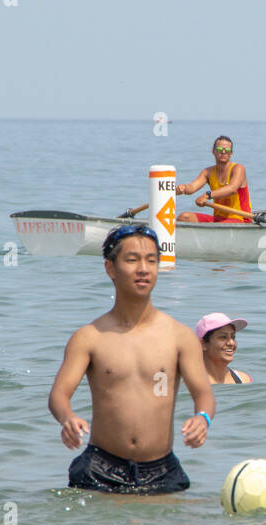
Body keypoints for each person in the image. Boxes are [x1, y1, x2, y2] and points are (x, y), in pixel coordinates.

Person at [50, 224, 216, 493]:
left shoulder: (180, 336)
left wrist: (202, 419)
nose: (143, 269)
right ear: (110, 268)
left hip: (162, 470)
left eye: (151, 260)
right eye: (132, 260)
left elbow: (204, 394)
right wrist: (67, 418)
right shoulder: (89, 337)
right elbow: (58, 395)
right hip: (100, 468)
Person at [177, 135, 251, 223]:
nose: (223, 152)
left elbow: (232, 189)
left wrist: (207, 195)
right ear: (213, 151)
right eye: (220, 149)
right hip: (218, 219)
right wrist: (183, 188)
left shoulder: (238, 168)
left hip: (241, 219)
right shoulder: (207, 172)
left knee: (222, 225)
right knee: (184, 217)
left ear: (231, 153)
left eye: (227, 150)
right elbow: (192, 187)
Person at [196, 313, 253, 384]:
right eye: (223, 337)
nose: (231, 343)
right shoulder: (191, 383)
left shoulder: (244, 380)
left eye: (233, 337)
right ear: (203, 344)